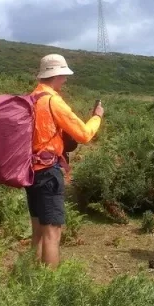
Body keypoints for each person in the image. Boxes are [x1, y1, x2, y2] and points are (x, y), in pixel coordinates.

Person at [27, 53, 104, 267]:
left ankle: (31, 279)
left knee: (38, 232)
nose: (65, 80)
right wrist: (97, 116)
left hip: (30, 172)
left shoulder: (32, 98)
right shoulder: (53, 101)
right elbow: (84, 134)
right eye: (63, 75)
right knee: (53, 234)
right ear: (56, 75)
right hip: (48, 172)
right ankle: (49, 288)